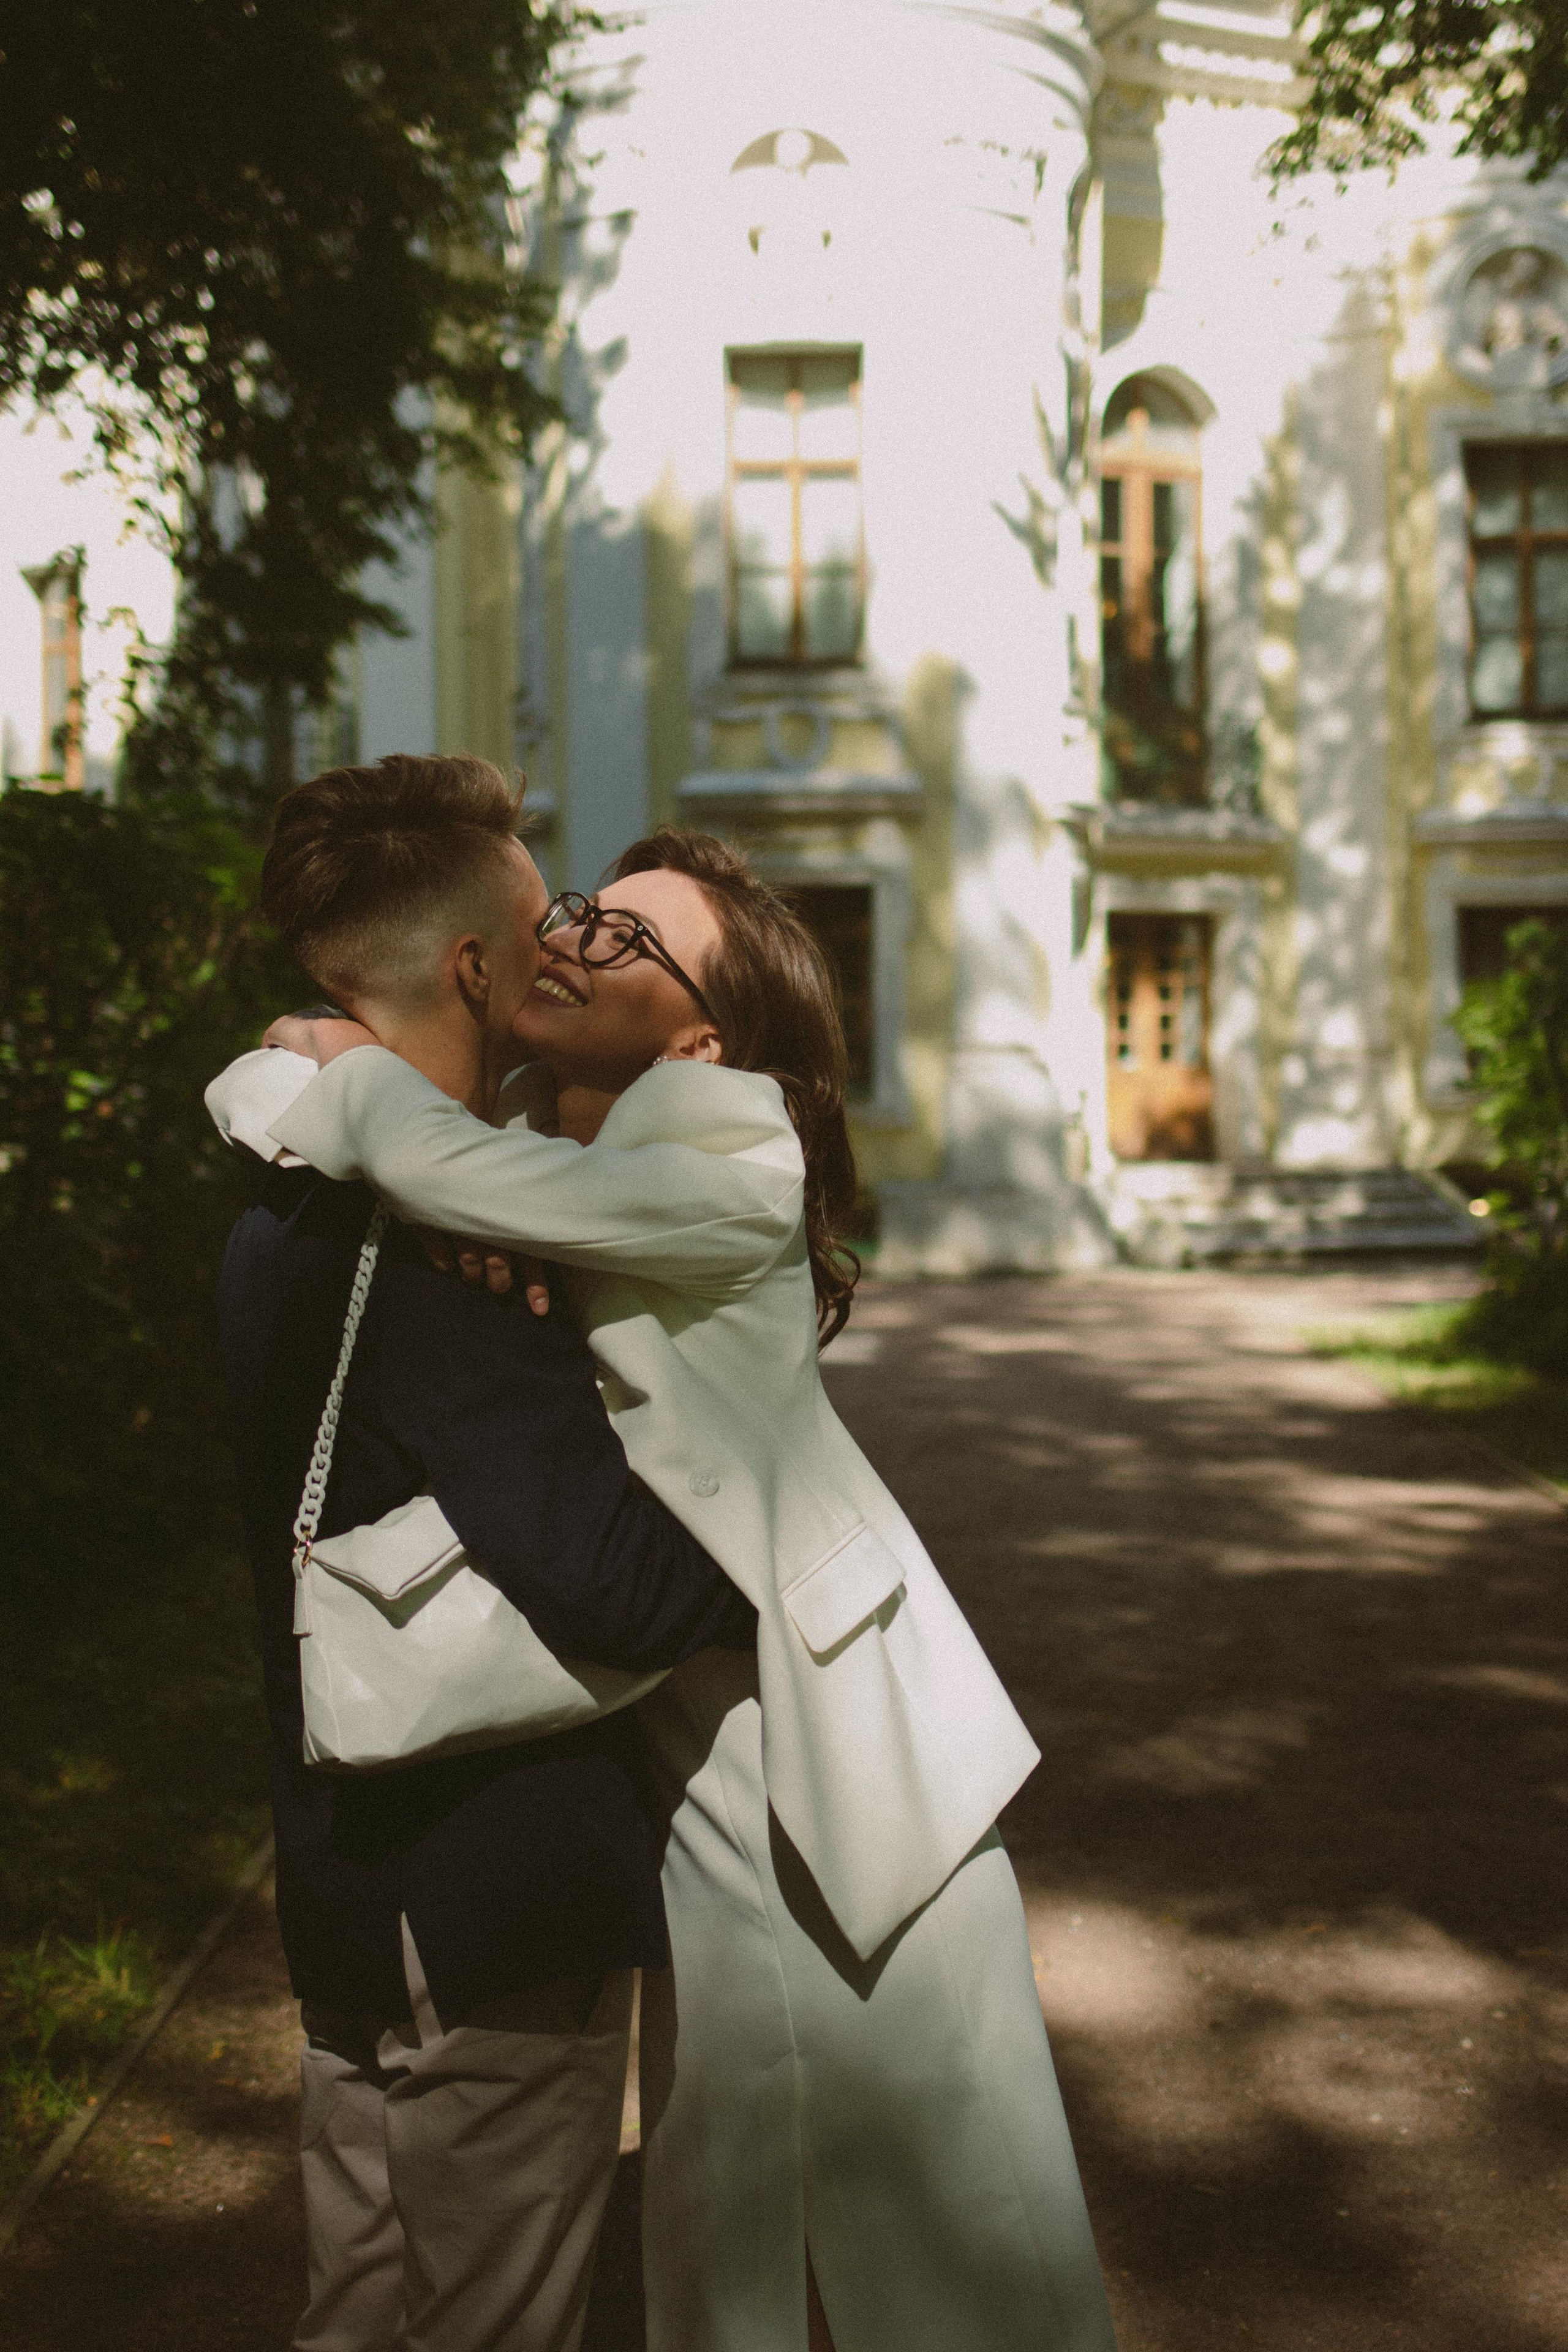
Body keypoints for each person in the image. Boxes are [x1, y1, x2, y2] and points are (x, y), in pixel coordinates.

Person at [210, 758, 1118, 2352]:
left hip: (833, 1754)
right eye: (576, 914)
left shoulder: (727, 1143)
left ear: (701, 1040)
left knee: (960, 2230)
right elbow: (296, 1099)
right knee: (729, 2216)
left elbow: (410, 1146)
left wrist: (339, 1057)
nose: (572, 940)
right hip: (688, 1769)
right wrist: (317, 1039)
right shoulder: (519, 1141)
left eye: (628, 941)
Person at [216, 755, 757, 2352]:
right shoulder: (453, 1256)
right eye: (538, 928)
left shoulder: (272, 1208)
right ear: (469, 967)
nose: (562, 948)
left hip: (340, 1878)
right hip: (495, 1903)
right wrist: (772, 1524)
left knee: (355, 2313)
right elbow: (613, 1583)